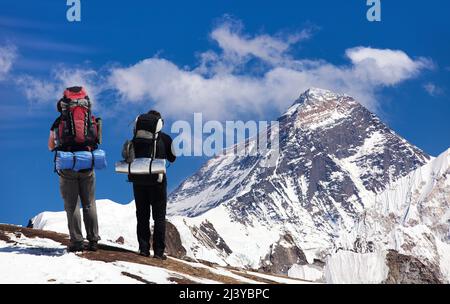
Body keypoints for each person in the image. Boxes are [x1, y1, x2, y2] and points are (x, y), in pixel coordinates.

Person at [48, 86, 100, 252]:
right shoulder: (91, 119)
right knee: (89, 204)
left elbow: (51, 146)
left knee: (72, 205)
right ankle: (93, 241)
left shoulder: (58, 122)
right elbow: (97, 139)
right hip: (87, 163)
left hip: (67, 164)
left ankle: (77, 242)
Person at [127, 110, 176, 259]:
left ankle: (143, 249)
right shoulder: (165, 138)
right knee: (159, 217)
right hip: (158, 181)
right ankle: (159, 252)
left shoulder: (135, 138)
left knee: (142, 215)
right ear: (159, 123)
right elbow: (172, 158)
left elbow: (128, 155)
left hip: (138, 181)